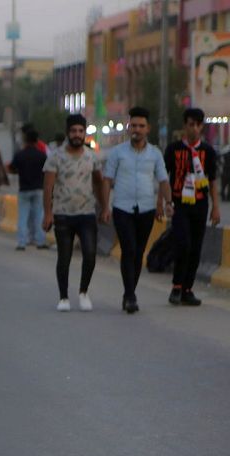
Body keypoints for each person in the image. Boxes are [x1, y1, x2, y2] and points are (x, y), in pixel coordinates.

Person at [101, 107, 169, 313]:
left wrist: (167, 203)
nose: (137, 130)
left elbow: (163, 180)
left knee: (138, 253)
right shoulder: (117, 153)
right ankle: (129, 295)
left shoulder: (155, 154)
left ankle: (130, 291)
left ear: (148, 129)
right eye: (134, 126)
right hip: (122, 208)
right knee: (128, 249)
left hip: (146, 209)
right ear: (129, 127)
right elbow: (107, 181)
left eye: (141, 126)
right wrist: (105, 206)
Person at [43, 114, 107, 312]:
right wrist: (47, 213)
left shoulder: (91, 156)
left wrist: (104, 207)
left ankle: (83, 292)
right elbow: (48, 187)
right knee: (64, 256)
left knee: (89, 254)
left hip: (86, 213)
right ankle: (63, 297)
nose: (77, 135)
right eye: (73, 131)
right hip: (63, 214)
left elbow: (98, 181)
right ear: (67, 133)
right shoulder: (56, 157)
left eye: (80, 131)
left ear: (84, 133)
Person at [164, 108, 221, 306]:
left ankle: (188, 288)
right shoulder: (173, 149)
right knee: (183, 243)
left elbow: (213, 181)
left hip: (200, 203)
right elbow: (164, 178)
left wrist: (216, 207)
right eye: (190, 124)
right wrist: (164, 202)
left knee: (196, 247)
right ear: (185, 126)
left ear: (202, 127)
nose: (194, 129)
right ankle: (176, 286)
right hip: (179, 203)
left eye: (198, 125)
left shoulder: (208, 151)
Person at [7, 129, 49, 250]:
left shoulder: (20, 155)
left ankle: (21, 243)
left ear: (25, 140)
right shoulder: (42, 155)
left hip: (24, 189)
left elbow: (11, 168)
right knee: (39, 216)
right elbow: (47, 171)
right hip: (38, 189)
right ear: (37, 141)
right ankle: (40, 242)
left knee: (23, 217)